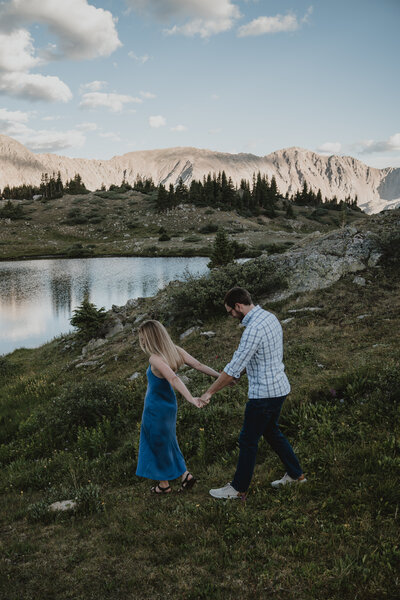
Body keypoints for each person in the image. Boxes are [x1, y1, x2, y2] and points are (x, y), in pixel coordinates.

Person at [200, 287, 306, 499]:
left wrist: (209, 393)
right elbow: (261, 355)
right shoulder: (269, 317)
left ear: (238, 306)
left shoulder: (253, 329)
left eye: (230, 311)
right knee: (272, 432)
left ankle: (238, 489)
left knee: (248, 439)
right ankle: (296, 475)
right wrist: (240, 372)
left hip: (264, 395)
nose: (231, 316)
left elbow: (233, 367)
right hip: (279, 388)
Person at [136, 320, 219, 494]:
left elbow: (173, 378)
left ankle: (164, 485)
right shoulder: (175, 351)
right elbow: (199, 365)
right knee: (167, 440)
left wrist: (190, 399)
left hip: (155, 407)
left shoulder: (155, 358)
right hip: (169, 405)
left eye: (143, 338)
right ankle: (183, 476)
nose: (141, 341)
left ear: (150, 338)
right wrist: (222, 377)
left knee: (155, 442)